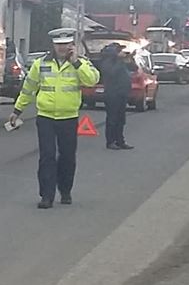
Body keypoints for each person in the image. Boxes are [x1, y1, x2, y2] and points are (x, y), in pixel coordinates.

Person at [10, 28, 99, 209]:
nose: (62, 48)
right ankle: (46, 196)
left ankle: (65, 191)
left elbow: (91, 80)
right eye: (59, 45)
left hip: (69, 117)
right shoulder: (40, 64)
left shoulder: (81, 63)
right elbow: (28, 88)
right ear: (53, 45)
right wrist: (17, 110)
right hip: (46, 117)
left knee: (67, 157)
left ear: (71, 45)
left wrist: (76, 63)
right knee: (47, 157)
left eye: (65, 44)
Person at [99, 42, 134, 150]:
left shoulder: (121, 61)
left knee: (121, 119)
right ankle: (110, 141)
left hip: (122, 93)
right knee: (112, 119)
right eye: (119, 50)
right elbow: (112, 73)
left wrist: (130, 59)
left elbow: (134, 68)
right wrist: (120, 60)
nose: (121, 52)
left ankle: (120, 141)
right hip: (112, 94)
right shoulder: (107, 62)